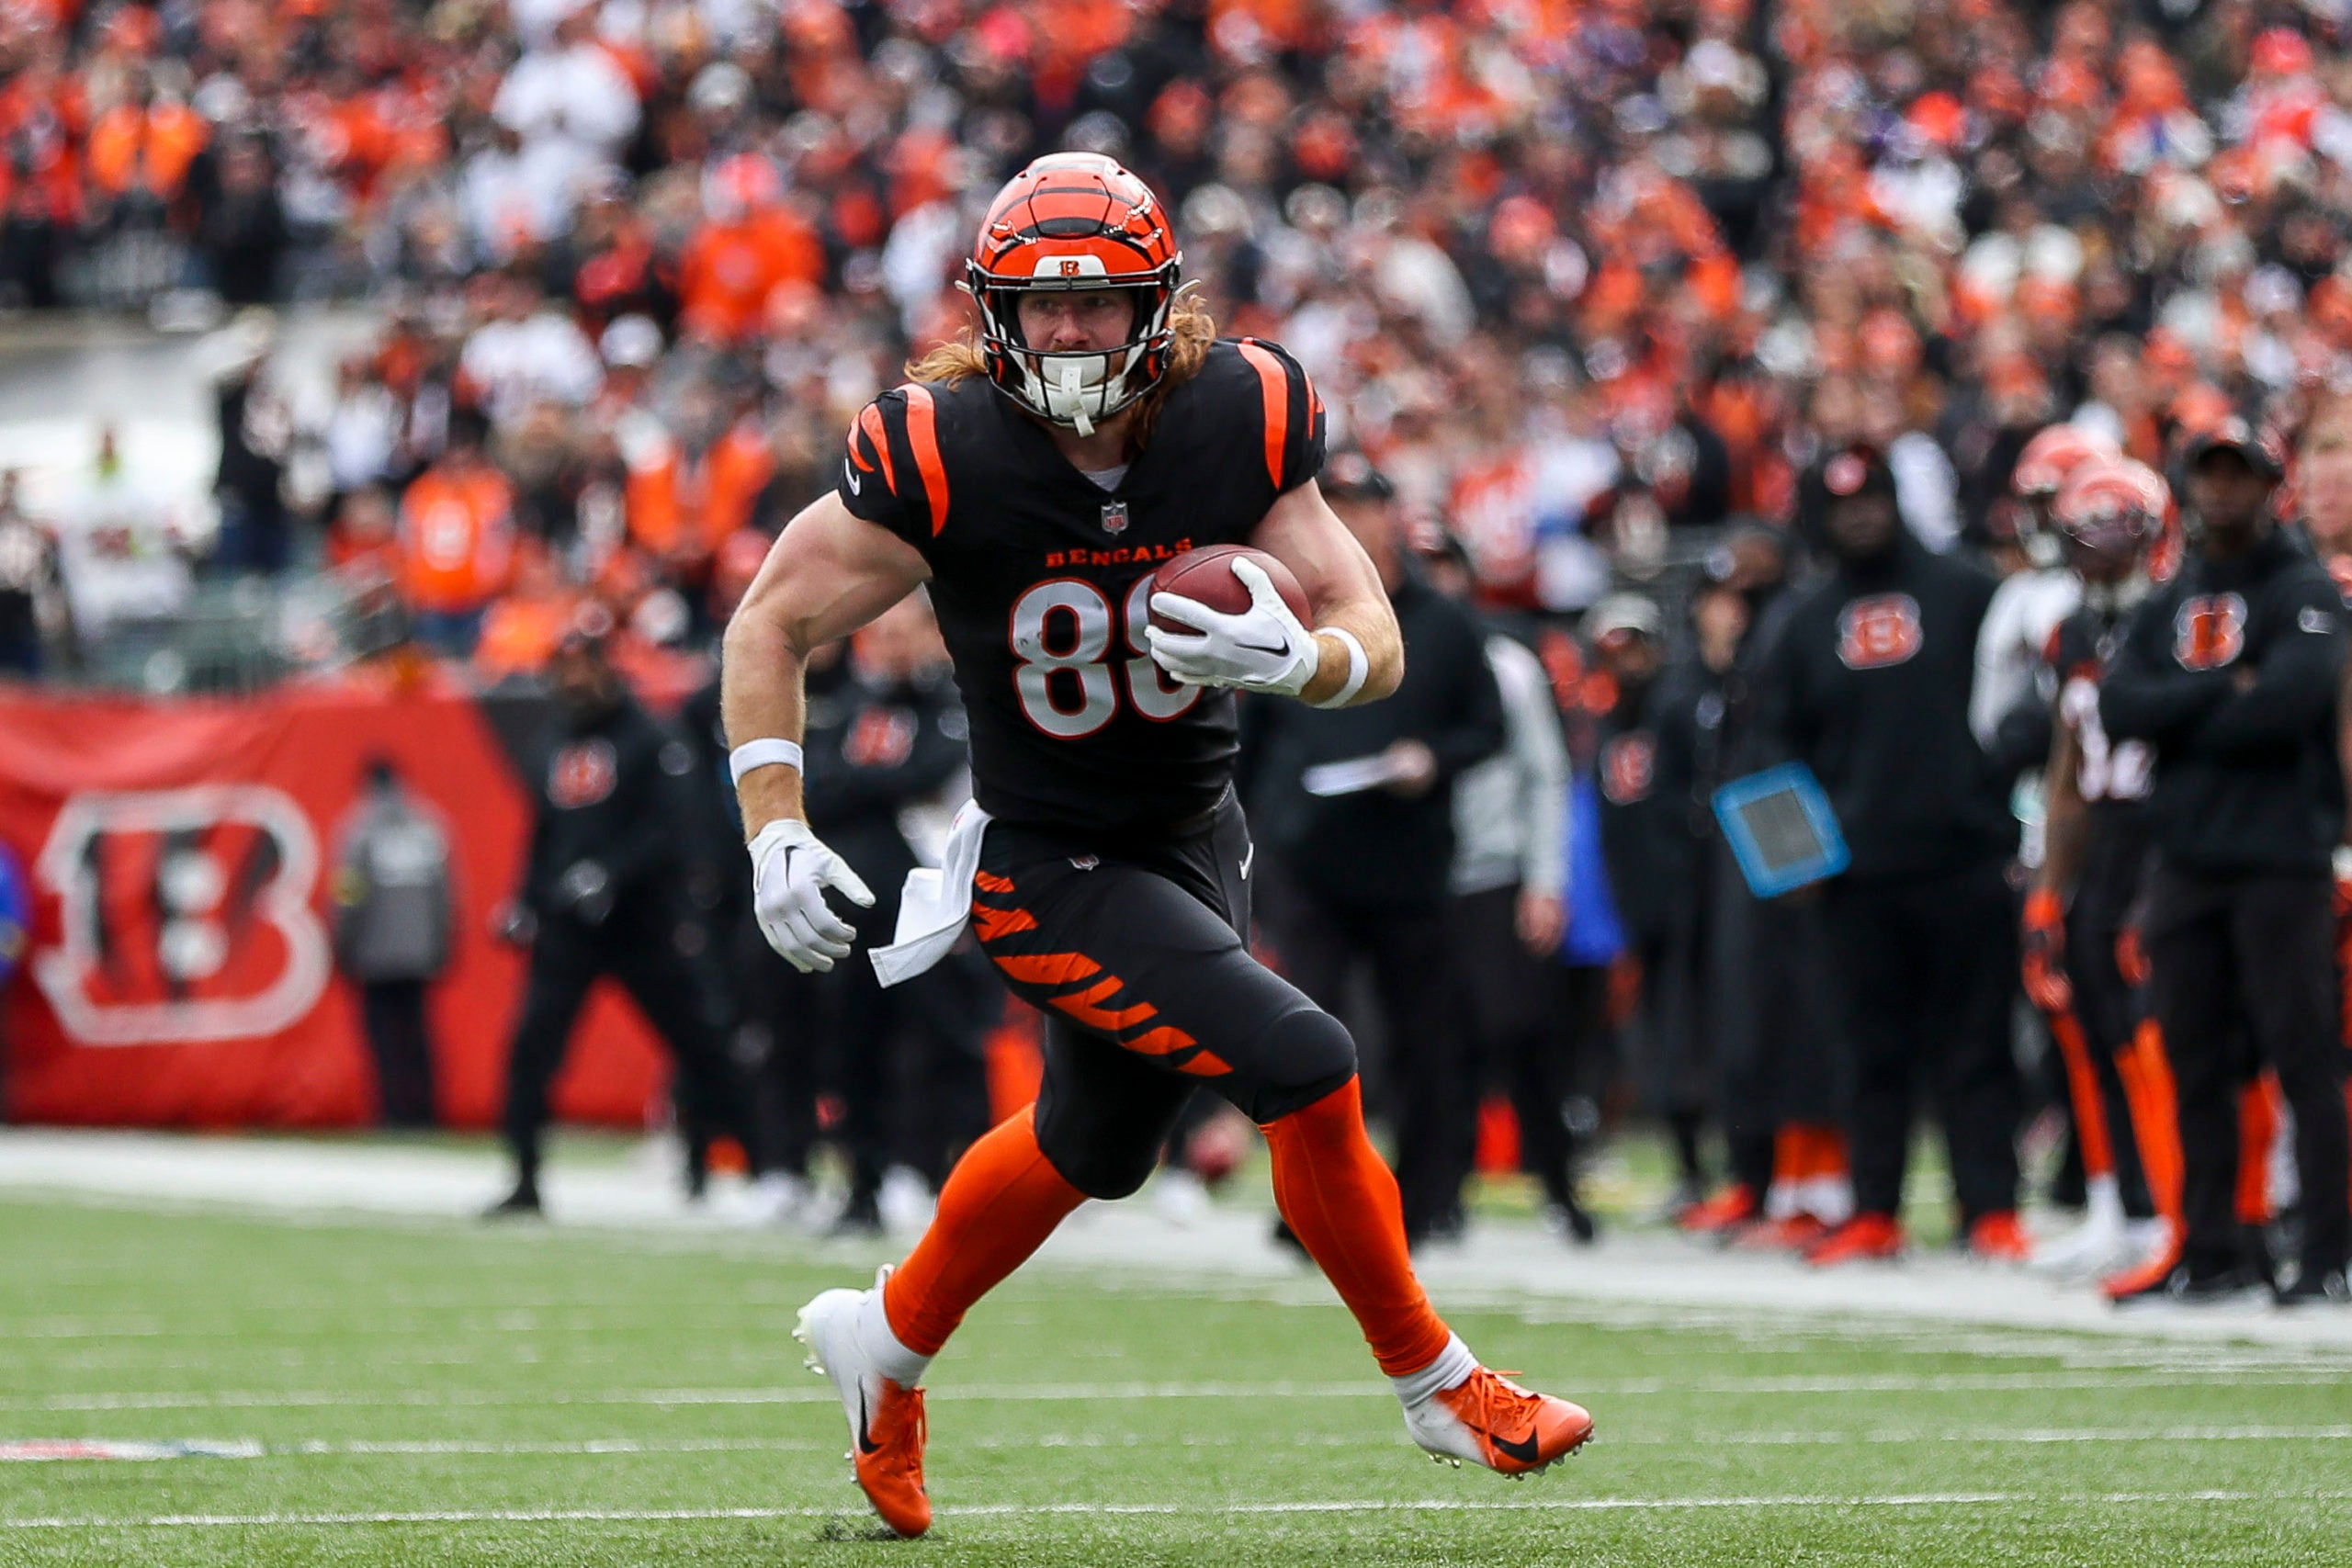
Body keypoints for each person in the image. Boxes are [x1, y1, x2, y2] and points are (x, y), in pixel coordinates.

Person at [722, 153, 1592, 1540]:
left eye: (1098, 306)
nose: (1068, 335)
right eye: (1041, 308)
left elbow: (1375, 635)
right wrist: (775, 828)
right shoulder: (941, 445)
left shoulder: (1238, 412)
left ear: (1158, 308)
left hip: (1197, 829)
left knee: (1096, 1140)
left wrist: (1298, 658)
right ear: (993, 311)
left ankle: (883, 1339)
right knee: (1306, 1060)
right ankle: (1436, 1379)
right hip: (1045, 856)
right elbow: (770, 619)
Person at [2101, 423, 2352, 1305]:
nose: (2221, 494)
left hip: (2281, 857)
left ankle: (2327, 1249)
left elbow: (2291, 701)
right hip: (2187, 859)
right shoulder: (2170, 597)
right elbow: (2120, 705)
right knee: (2193, 1059)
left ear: (2270, 487)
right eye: (2207, 478)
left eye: (2237, 477)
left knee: (2302, 1056)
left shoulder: (2303, 588)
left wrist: (2191, 713)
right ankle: (2210, 1245)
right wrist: (2224, 689)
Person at [1760, 442, 2028, 1266]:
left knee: (1978, 1044)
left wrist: (1994, 798)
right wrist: (1793, 861)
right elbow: (1768, 742)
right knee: (1867, 1048)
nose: (1861, 513)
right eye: (1844, 503)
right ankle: (1874, 1207)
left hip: (1966, 859)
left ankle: (1990, 1206)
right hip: (1856, 877)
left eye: (1872, 496)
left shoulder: (1970, 590)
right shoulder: (1800, 619)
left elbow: (2031, 698)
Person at [1242, 454, 1507, 1246]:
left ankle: (1424, 1203)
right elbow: (1249, 742)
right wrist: (1254, 835)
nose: (1352, 521)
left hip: (1411, 864)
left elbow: (1487, 726)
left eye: (1365, 504)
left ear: (1393, 516)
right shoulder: (1283, 610)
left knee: (1425, 1044)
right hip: (1311, 865)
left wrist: (1435, 759)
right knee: (1305, 1043)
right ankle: (1311, 1207)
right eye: (1338, 504)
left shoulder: (1447, 621)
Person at [487, 612, 768, 1215]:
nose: (576, 677)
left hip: (643, 923)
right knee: (532, 1046)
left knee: (700, 1042)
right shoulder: (554, 742)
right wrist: (525, 899)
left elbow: (671, 828)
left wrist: (613, 873)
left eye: (585, 663)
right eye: (565, 665)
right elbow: (545, 837)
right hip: (569, 927)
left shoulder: (649, 737)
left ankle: (760, 1164)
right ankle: (524, 1176)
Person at [2018, 458, 2178, 1283]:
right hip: (2103, 841)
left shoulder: (2174, 613)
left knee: (2159, 1029)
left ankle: (2176, 1208)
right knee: (2090, 1026)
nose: (2104, 545)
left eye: (2121, 526)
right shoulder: (2071, 630)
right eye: (2089, 528)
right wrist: (2049, 885)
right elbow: (2066, 763)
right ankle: (2117, 1202)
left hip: (2169, 834)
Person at [798, 591, 989, 1234]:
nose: (892, 645)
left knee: (949, 1042)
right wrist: (875, 784)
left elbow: (928, 773)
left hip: (934, 902)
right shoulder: (848, 705)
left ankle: (965, 1179)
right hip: (860, 905)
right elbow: (817, 783)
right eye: (881, 633)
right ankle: (864, 1183)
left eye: (904, 632)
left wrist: (864, 784)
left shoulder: (952, 703)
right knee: (854, 1044)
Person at [1417, 525, 1585, 1241]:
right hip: (1417, 880)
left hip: (1494, 871)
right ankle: (1440, 1192)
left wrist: (1545, 878)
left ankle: (1558, 1184)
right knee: (1433, 1043)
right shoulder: (1381, 661)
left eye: (1444, 566)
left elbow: (1545, 775)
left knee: (1522, 1034)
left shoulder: (1506, 665)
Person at [330, 759, 455, 1128]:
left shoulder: (359, 829)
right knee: (418, 1033)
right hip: (421, 952)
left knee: (383, 1036)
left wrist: (342, 942)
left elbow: (347, 893)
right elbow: (446, 894)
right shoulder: (429, 826)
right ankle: (427, 1111)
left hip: (374, 953)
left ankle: (392, 1111)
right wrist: (442, 944)